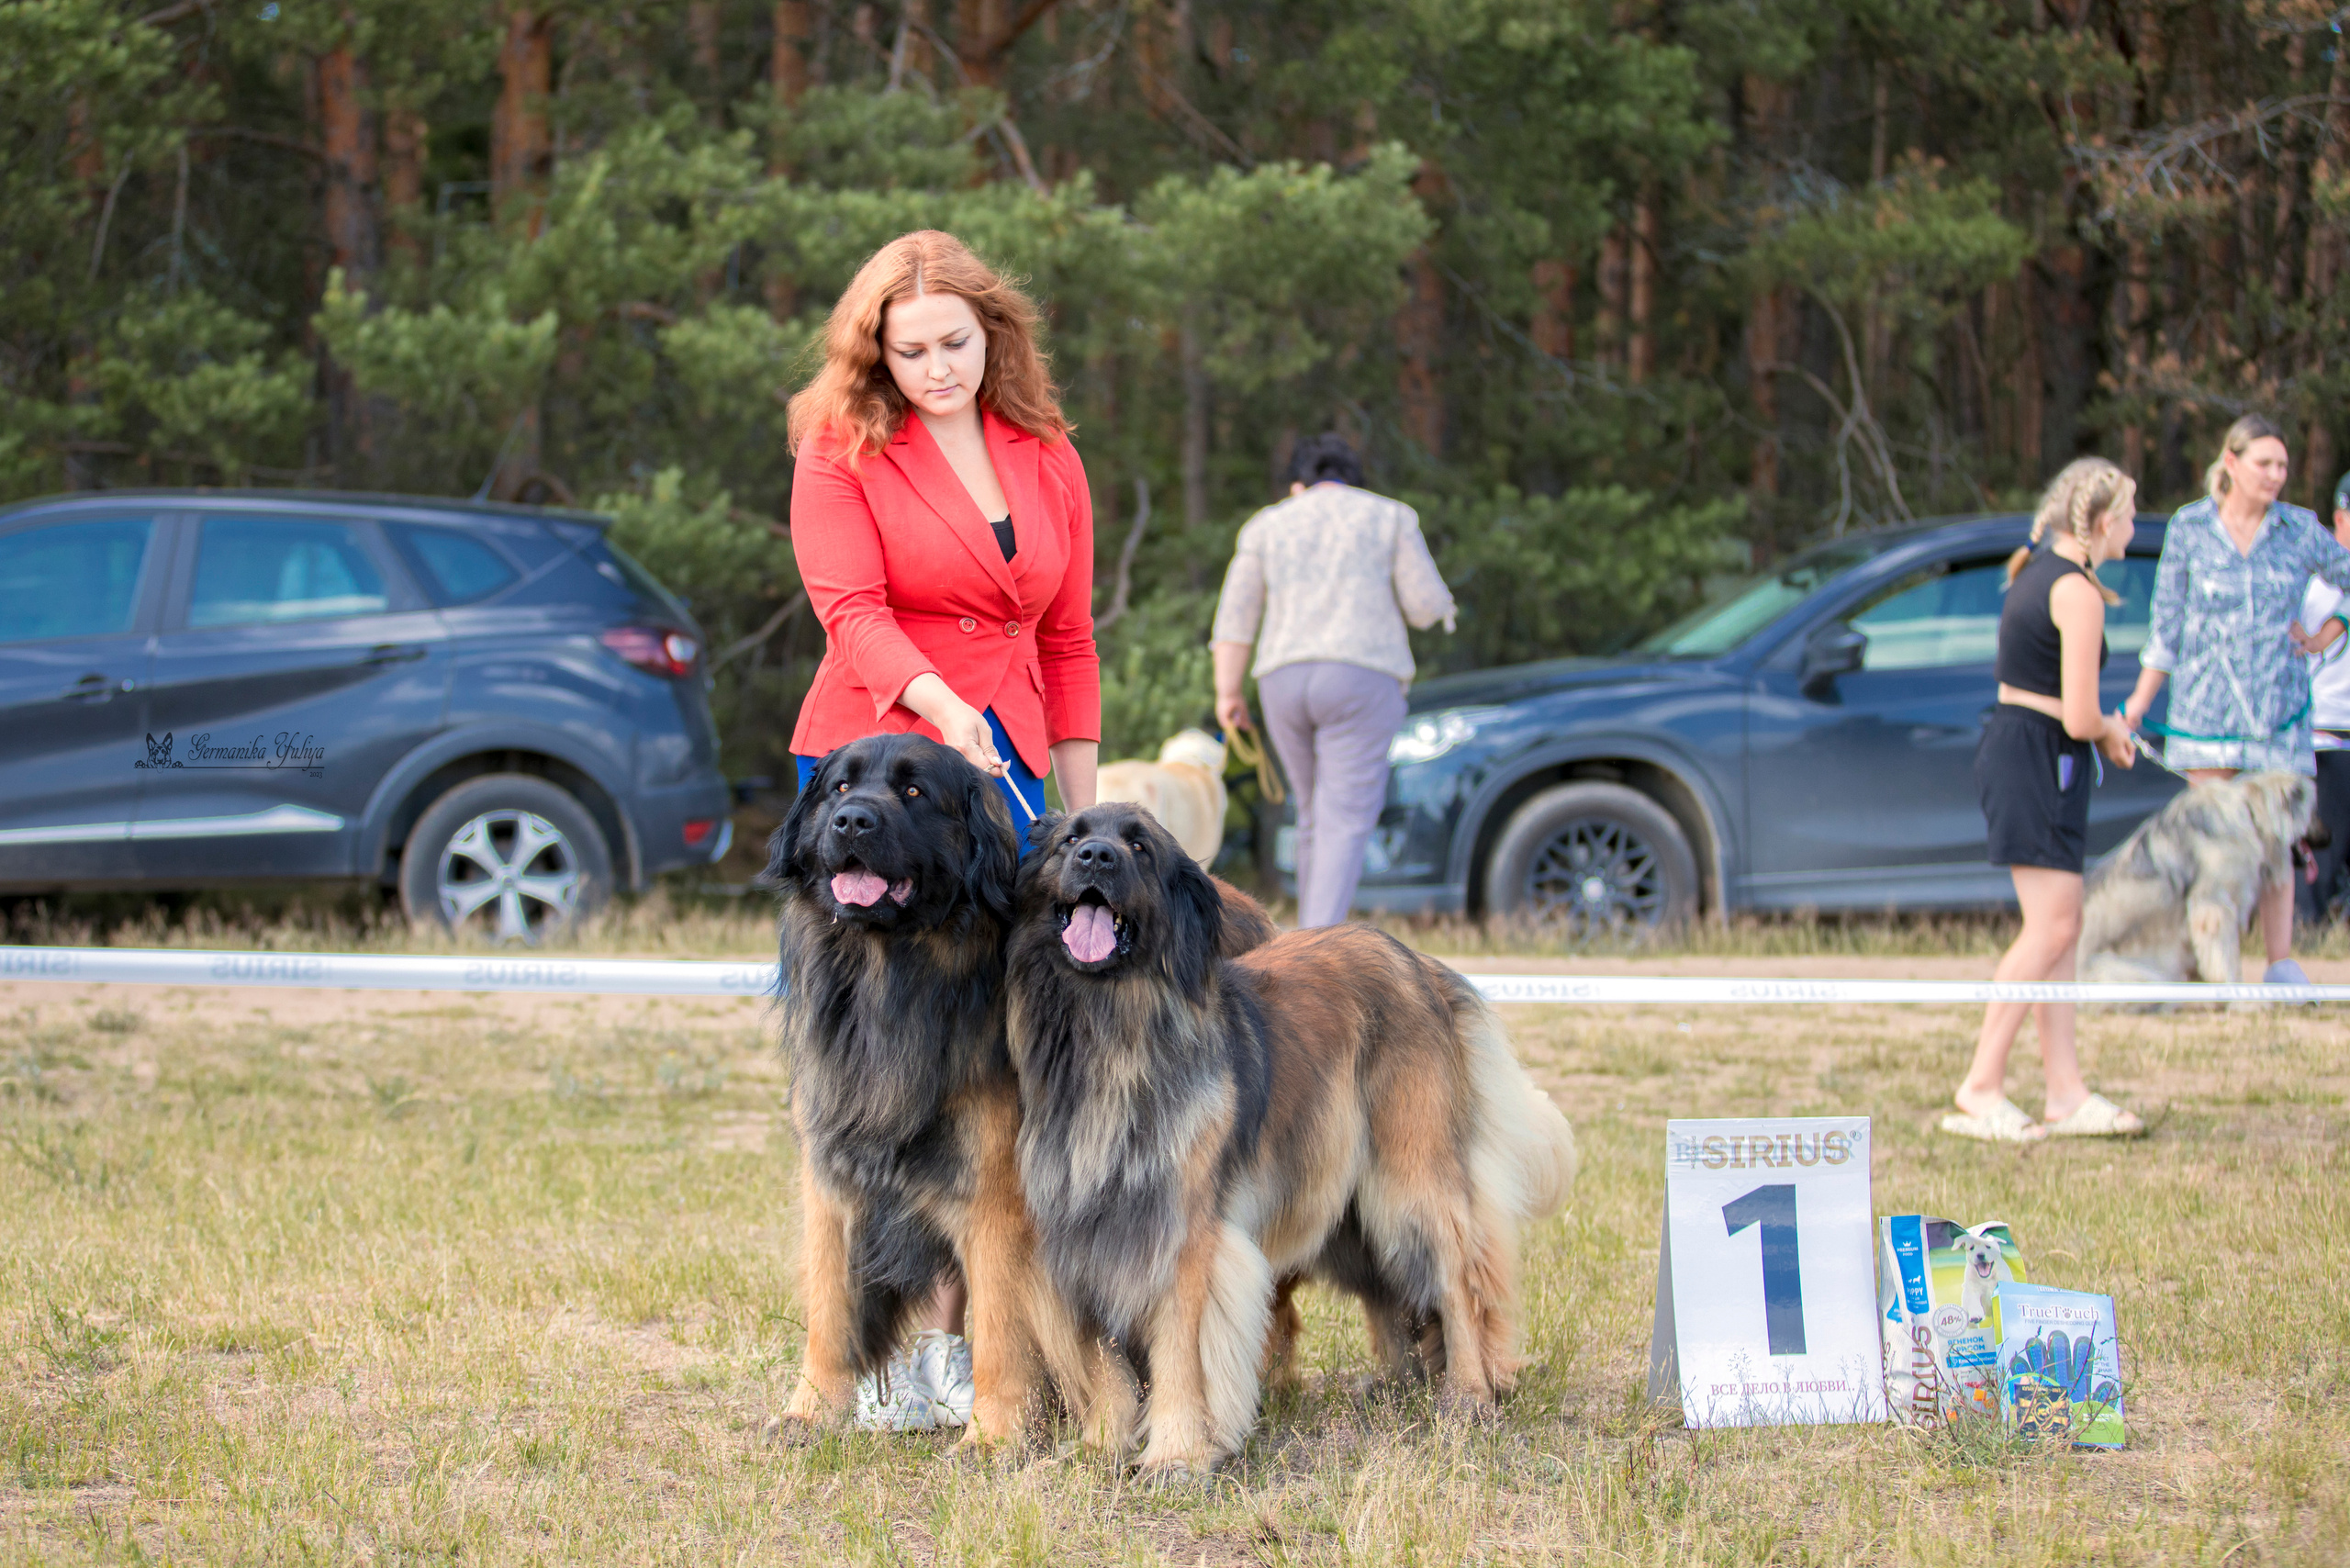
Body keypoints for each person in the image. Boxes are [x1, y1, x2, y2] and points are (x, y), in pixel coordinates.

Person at [784, 229, 1100, 1428]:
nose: (934, 369)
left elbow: (1069, 642)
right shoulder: (839, 446)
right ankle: (880, 1359)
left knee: (1000, 1081)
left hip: (1008, 780)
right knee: (868, 1084)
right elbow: (850, 612)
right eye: (907, 350)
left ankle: (993, 1347)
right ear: (876, 352)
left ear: (994, 333)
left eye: (954, 344)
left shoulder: (1048, 451)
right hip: (881, 766)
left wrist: (1079, 809)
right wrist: (940, 709)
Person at [1947, 457, 2143, 1143]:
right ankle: (1980, 1085)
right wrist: (2115, 732)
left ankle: (2065, 1091)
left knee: (2063, 927)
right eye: (2126, 514)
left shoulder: (2040, 572)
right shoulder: (2076, 591)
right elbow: (2084, 715)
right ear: (2096, 523)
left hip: (2033, 753)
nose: (2132, 526)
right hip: (2038, 758)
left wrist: (2102, 735)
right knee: (2052, 929)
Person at [2121, 415, 2350, 985]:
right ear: (2232, 463)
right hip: (2205, 713)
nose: (2277, 476)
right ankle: (2206, 963)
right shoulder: (2191, 528)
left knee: (2278, 844)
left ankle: (2281, 965)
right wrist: (2137, 705)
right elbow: (2166, 628)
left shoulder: (2299, 529)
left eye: (2283, 466)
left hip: (2282, 713)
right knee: (2211, 845)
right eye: (2265, 464)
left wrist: (2328, 632)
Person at [1210, 433, 1457, 928]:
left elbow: (1236, 617)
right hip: (1360, 674)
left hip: (1283, 677)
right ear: (1353, 482)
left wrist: (1228, 691)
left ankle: (1309, 932)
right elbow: (1425, 605)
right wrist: (1444, 611)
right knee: (1344, 816)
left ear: (1299, 485)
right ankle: (1319, 953)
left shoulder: (1267, 524)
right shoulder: (1389, 517)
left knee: (1311, 812)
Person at [2287, 473, 2350, 924]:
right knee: (2321, 862)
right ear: (2340, 516)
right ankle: (2305, 947)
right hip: (2326, 736)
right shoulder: (2313, 583)